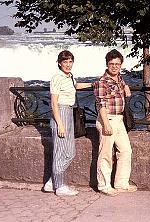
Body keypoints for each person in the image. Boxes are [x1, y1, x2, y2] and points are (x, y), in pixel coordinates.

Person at [43, 50, 92, 196]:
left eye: (70, 61)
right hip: (61, 114)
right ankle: (60, 187)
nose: (68, 64)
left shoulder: (69, 77)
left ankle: (52, 182)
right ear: (59, 63)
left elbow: (75, 86)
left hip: (69, 112)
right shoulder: (56, 78)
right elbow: (53, 103)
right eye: (65, 62)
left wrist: (93, 84)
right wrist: (60, 124)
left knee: (70, 152)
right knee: (60, 152)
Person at [93, 49, 137, 196]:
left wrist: (126, 90)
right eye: (112, 64)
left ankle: (121, 183)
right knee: (105, 153)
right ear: (107, 64)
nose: (114, 66)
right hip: (108, 119)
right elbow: (100, 105)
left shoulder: (120, 79)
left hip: (119, 119)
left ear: (121, 64)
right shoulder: (102, 82)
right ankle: (104, 186)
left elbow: (121, 93)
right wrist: (106, 124)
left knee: (125, 150)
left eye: (117, 64)